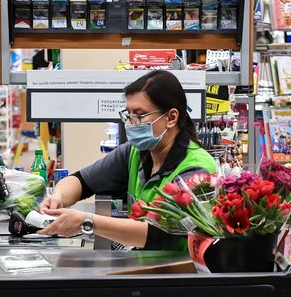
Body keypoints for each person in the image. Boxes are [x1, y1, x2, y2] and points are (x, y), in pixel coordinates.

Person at [39, 69, 218, 248]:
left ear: (171, 117)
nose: (131, 123)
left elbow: (162, 234)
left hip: (181, 271)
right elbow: (82, 181)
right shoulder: (135, 153)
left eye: (139, 115)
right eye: (129, 114)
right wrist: (59, 196)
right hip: (146, 268)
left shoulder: (197, 169)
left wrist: (86, 222)